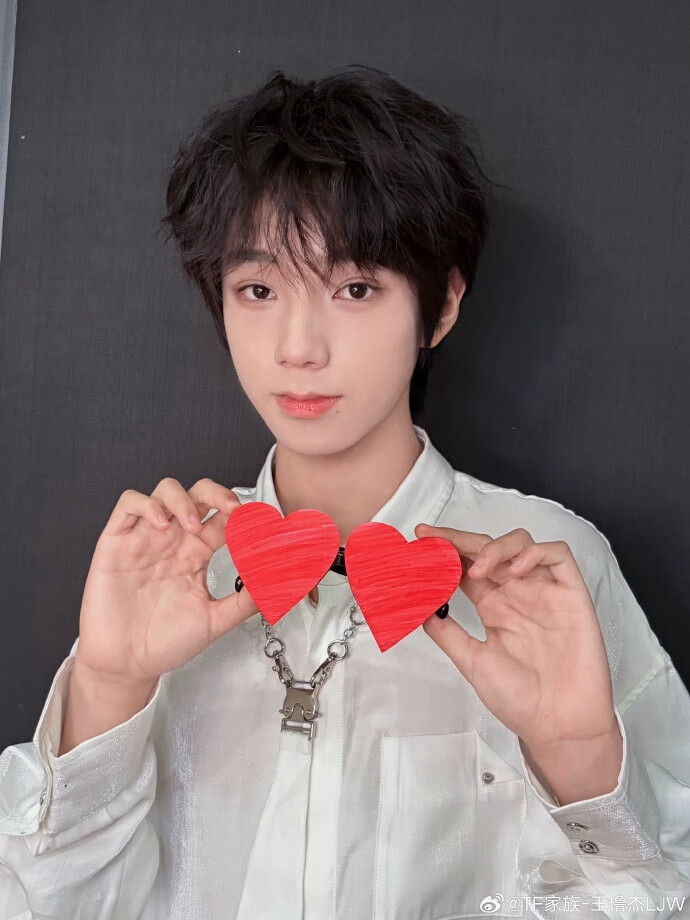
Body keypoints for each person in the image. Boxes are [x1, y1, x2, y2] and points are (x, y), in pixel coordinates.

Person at [1, 64, 689, 920]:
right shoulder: (170, 569)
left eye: (355, 288)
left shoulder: (547, 569)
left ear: (441, 307)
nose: (298, 347)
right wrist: (107, 687)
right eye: (258, 290)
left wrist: (578, 757)